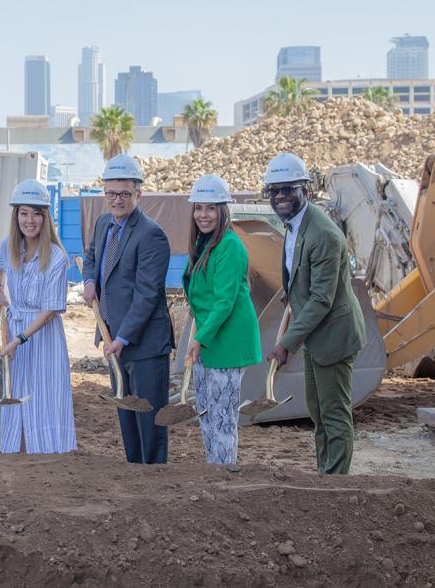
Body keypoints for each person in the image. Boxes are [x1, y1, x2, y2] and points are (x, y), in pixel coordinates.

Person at [264, 152, 366, 475]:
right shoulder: (294, 225)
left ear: (303, 189)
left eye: (288, 189)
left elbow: (322, 300)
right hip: (316, 336)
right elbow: (301, 281)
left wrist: (286, 344)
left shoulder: (322, 234)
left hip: (334, 336)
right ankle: (326, 476)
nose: (280, 197)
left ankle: (336, 483)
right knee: (318, 412)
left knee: (334, 414)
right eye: (274, 191)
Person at [82, 154, 173, 464]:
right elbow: (92, 257)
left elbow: (147, 295)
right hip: (113, 338)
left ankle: (154, 481)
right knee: (126, 418)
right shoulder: (103, 223)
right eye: (111, 194)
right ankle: (135, 479)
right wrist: (89, 281)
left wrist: (122, 338)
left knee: (150, 423)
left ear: (139, 193)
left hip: (143, 345)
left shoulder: (151, 235)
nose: (116, 200)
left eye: (124, 194)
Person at [182, 174, 262, 465]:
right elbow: (201, 295)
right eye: (199, 208)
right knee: (205, 412)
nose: (203, 215)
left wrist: (199, 339)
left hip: (226, 342)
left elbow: (225, 301)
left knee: (223, 418)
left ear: (223, 211)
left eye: (211, 208)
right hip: (208, 338)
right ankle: (212, 470)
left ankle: (223, 476)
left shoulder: (229, 246)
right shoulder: (203, 244)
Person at [0, 179, 76, 454]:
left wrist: (18, 339)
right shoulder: (9, 247)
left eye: (37, 213)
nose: (30, 220)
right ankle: (16, 453)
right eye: (24, 213)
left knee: (43, 398)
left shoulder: (56, 257)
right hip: (16, 328)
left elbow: (51, 310)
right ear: (16, 215)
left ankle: (47, 456)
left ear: (45, 217)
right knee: (17, 396)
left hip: (43, 337)